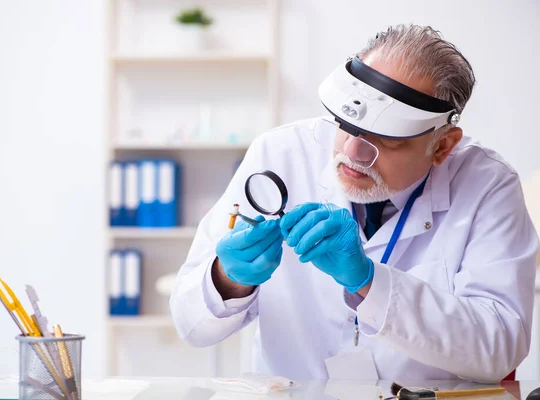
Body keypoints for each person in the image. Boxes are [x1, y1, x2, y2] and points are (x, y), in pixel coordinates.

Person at [169, 24, 539, 383]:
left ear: (442, 145)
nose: (352, 152)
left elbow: (499, 348)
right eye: (345, 124)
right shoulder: (279, 153)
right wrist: (228, 279)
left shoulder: (488, 184)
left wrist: (369, 282)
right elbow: (190, 325)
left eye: (386, 139)